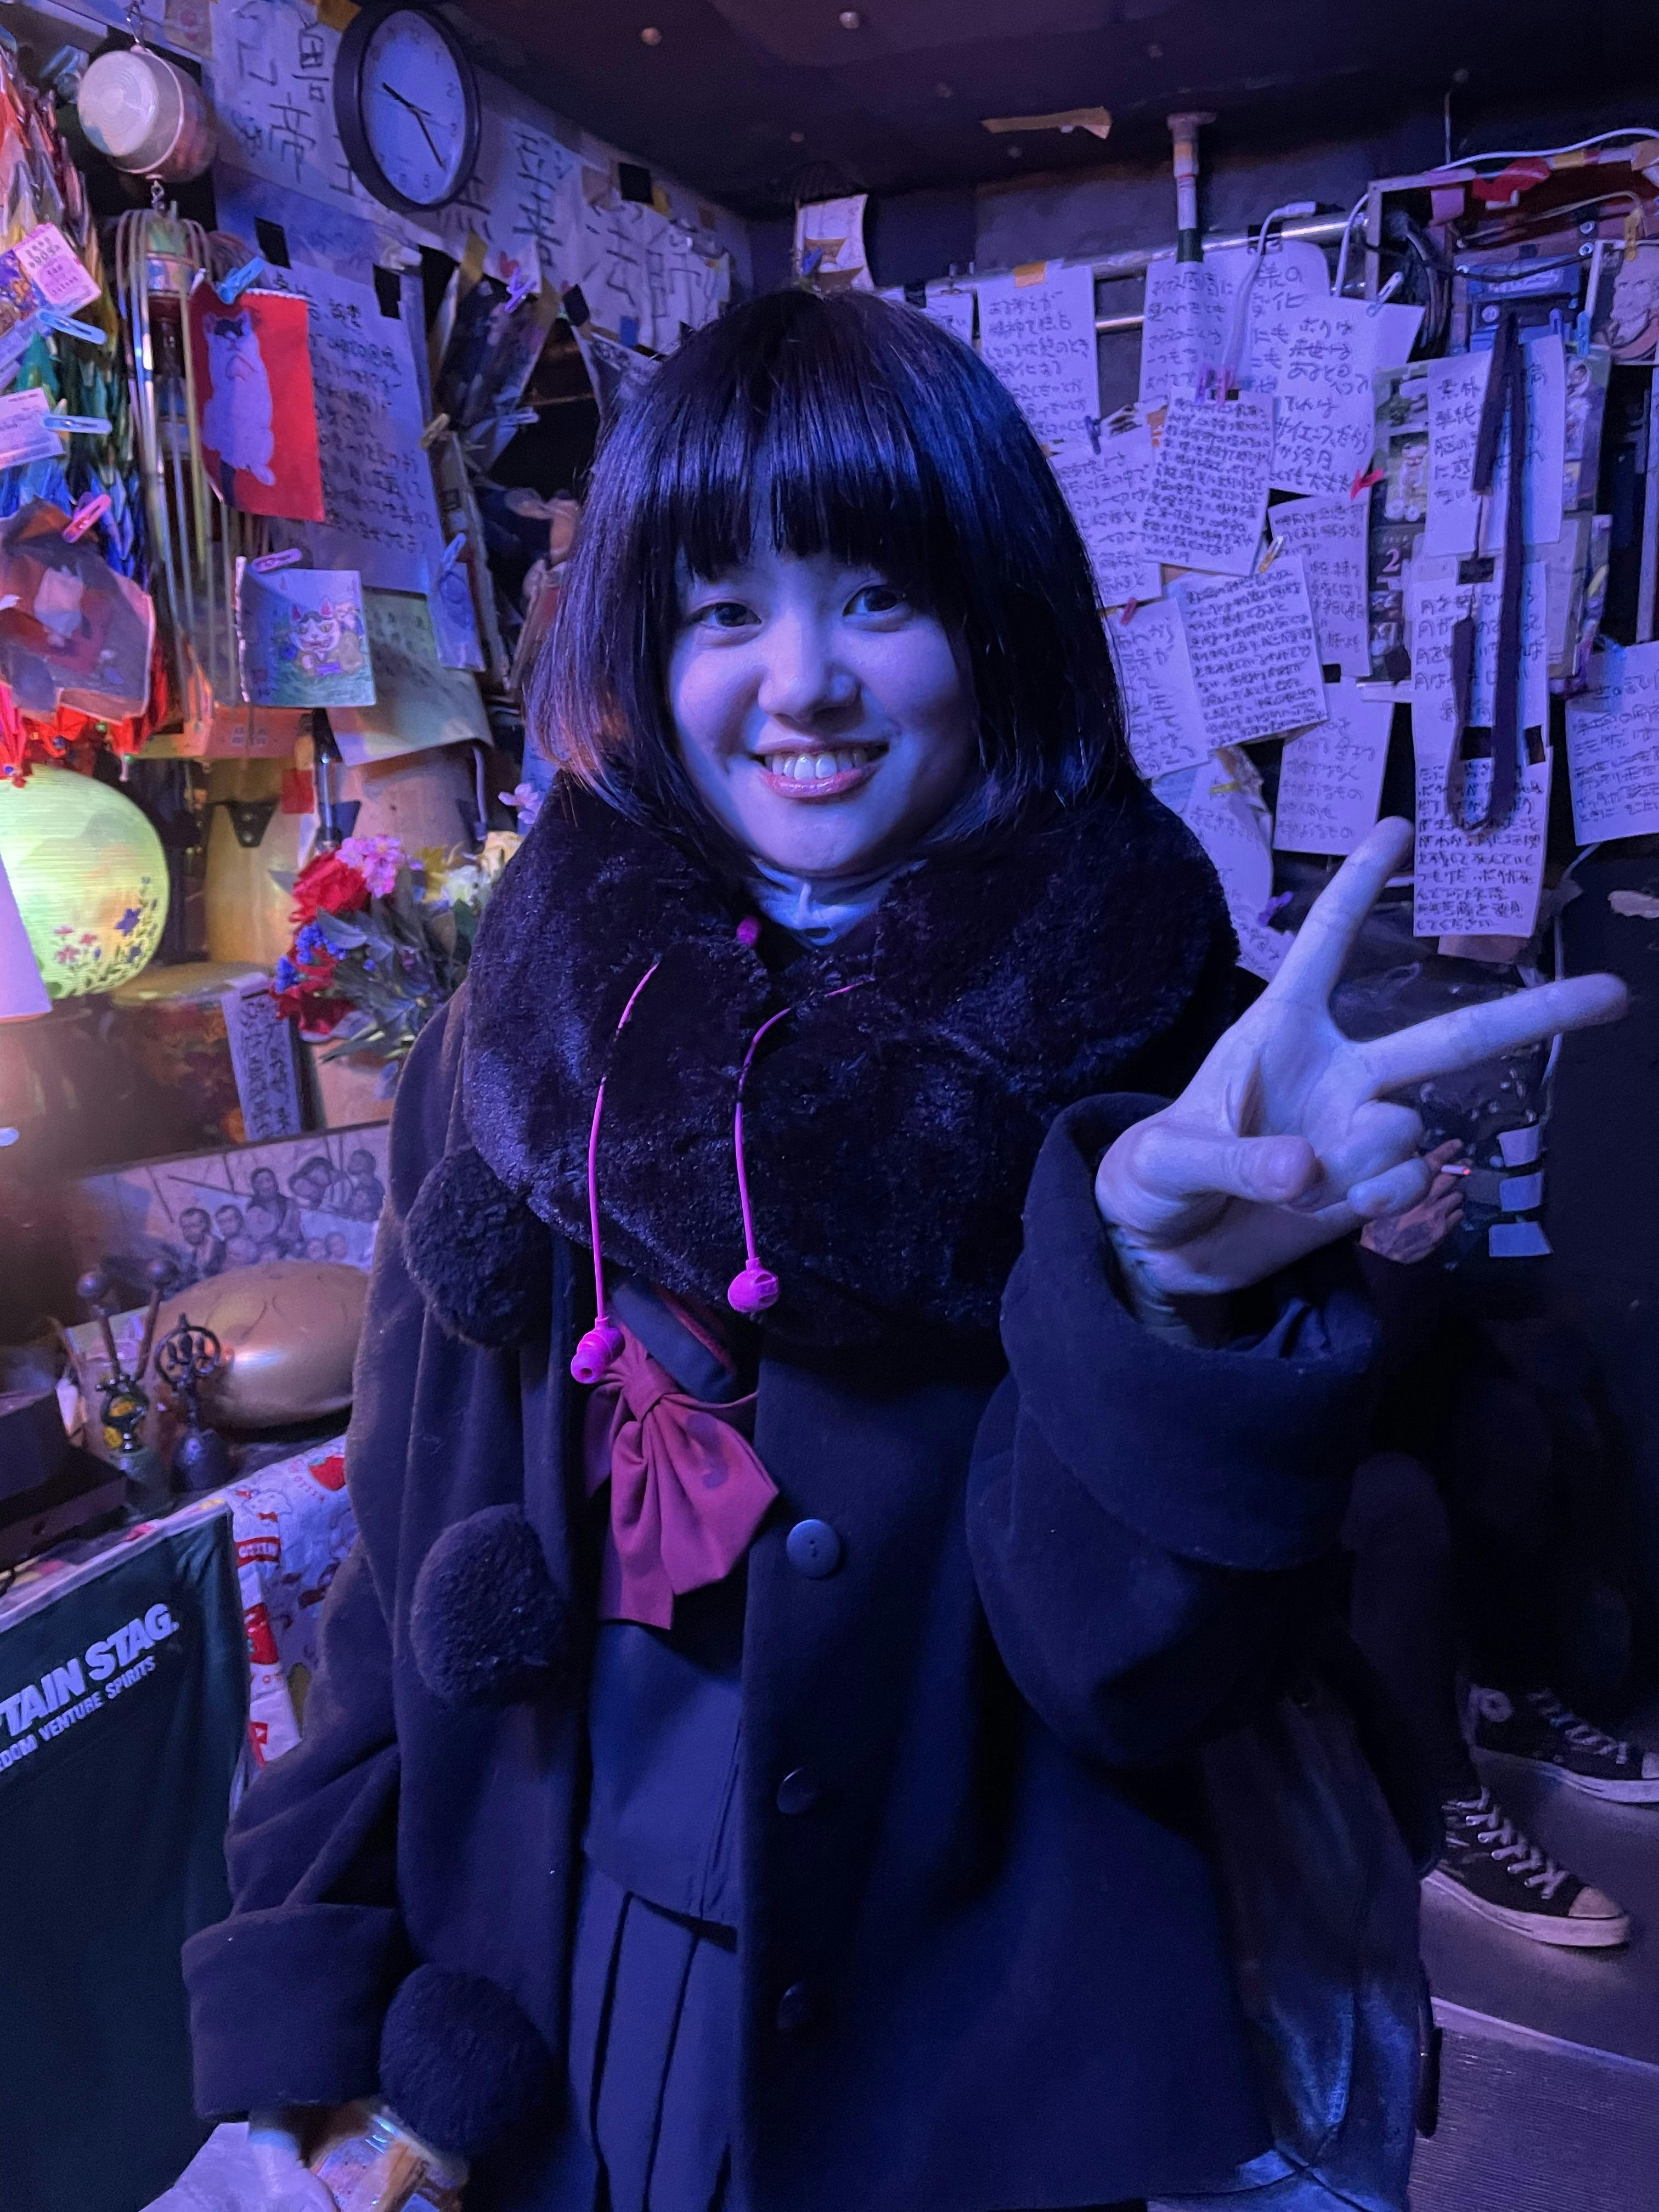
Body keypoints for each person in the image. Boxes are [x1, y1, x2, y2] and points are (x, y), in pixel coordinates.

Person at [171, 292, 1623, 2212]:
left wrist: (1167, 1301)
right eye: (723, 610)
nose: (802, 686)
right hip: (559, 1993)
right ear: (645, 646)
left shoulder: (1166, 1067)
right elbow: (396, 1576)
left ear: (996, 622)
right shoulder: (524, 1038)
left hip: (976, 2061)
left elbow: (1142, 1683)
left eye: (877, 597)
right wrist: (307, 2000)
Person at [1347, 1160, 1655, 1949]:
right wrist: (1385, 1263)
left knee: (1502, 1416)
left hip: (1352, 1361)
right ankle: (1435, 1805)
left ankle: (1508, 1705)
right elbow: (1299, 1394)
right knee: (1393, 1500)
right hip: (1244, 1434)